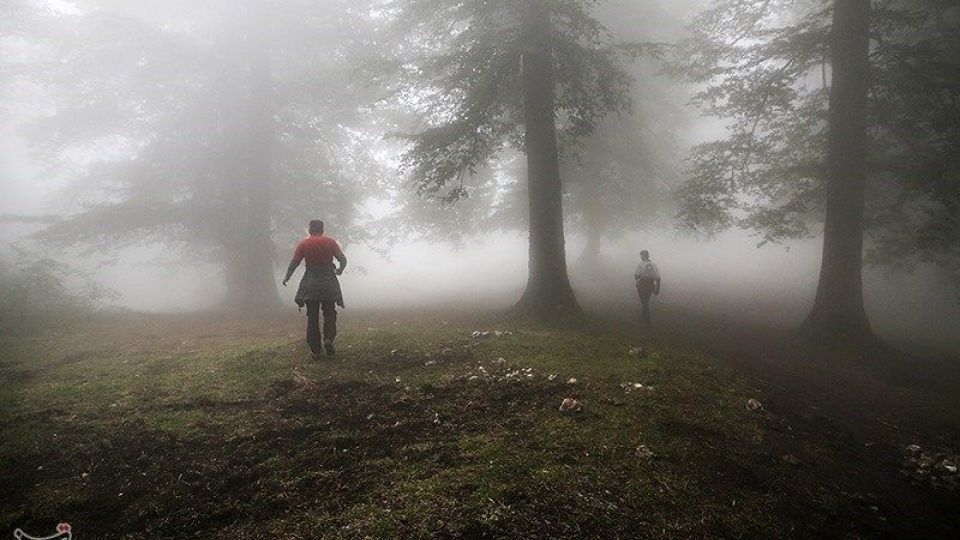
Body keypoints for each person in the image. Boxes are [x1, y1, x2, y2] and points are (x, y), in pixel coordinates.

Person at [282, 220, 347, 357]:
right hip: (329, 283)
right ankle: (328, 339)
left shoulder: (304, 244)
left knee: (312, 317)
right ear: (322, 229)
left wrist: (287, 277)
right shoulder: (330, 242)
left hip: (310, 284)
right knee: (330, 314)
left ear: (309, 230)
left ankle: (316, 350)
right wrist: (340, 269)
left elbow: (294, 262)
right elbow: (342, 259)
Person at [634, 249, 661, 327]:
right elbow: (658, 278)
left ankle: (647, 320)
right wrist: (657, 288)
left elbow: (636, 275)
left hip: (642, 284)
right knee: (646, 302)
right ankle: (643, 319)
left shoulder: (640, 264)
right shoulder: (654, 265)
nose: (641, 257)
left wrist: (637, 280)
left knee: (644, 303)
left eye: (641, 256)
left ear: (643, 256)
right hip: (651, 285)